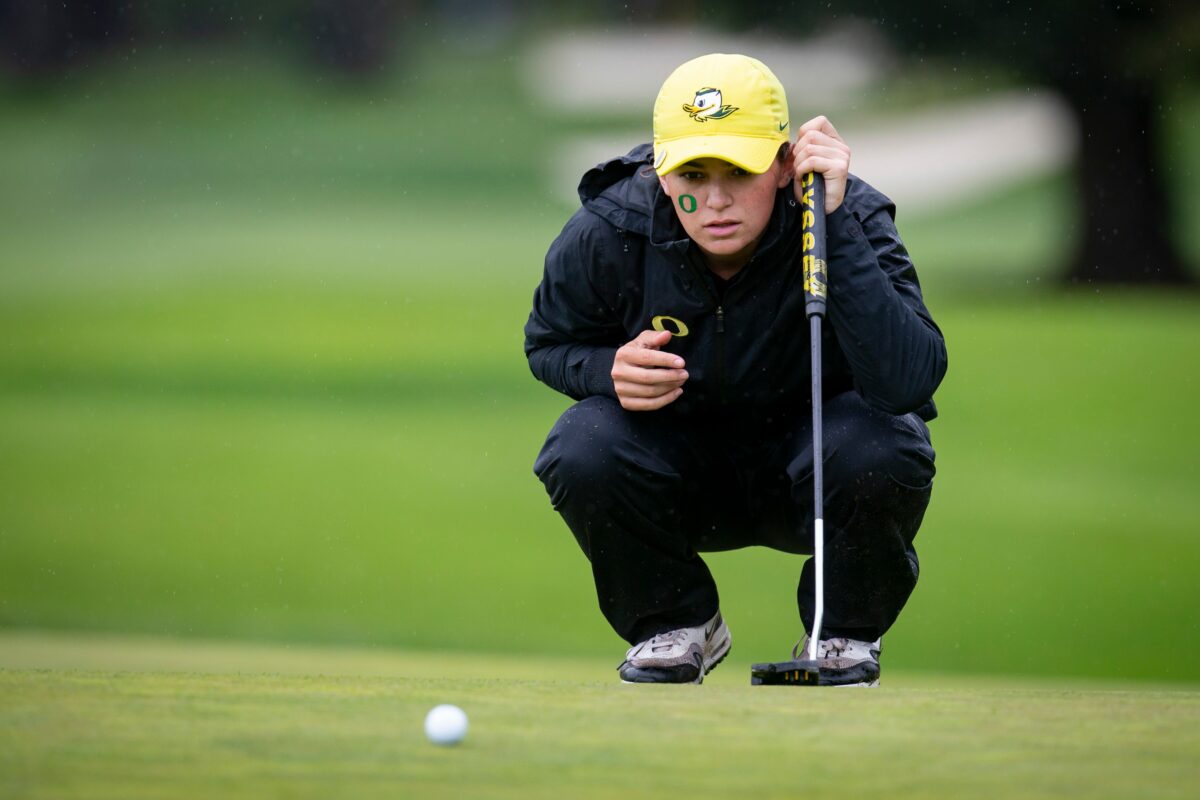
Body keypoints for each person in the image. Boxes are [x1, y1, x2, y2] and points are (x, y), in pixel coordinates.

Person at [524, 53, 946, 686]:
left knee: (885, 442)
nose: (715, 200)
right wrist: (606, 369)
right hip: (681, 478)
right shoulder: (610, 229)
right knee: (581, 443)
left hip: (817, 474)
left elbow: (910, 380)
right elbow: (549, 344)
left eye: (740, 171)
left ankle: (842, 635)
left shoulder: (845, 215)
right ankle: (676, 623)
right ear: (662, 173)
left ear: (783, 165)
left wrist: (831, 228)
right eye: (694, 172)